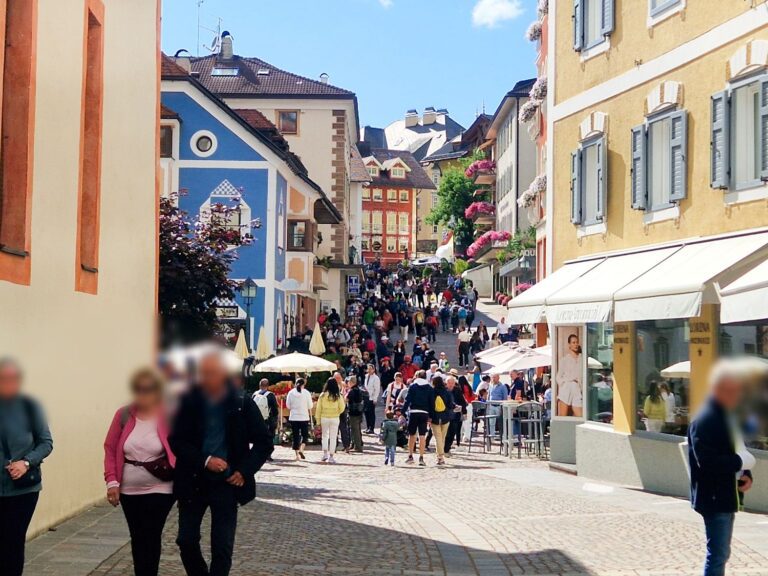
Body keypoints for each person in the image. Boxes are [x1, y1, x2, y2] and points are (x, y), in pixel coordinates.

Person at [170, 351, 271, 576]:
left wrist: (244, 471)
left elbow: (264, 442)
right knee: (185, 540)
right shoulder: (188, 402)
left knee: (222, 547)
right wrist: (205, 460)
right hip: (193, 481)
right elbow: (176, 440)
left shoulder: (241, 402)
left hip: (227, 483)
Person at [688, 359, 758, 576]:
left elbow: (737, 449)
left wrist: (745, 474)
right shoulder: (706, 419)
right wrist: (740, 463)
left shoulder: (727, 417)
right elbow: (707, 461)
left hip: (726, 494)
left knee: (722, 553)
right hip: (713, 497)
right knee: (717, 554)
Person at [103, 368, 176, 576]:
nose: (143, 394)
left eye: (149, 390)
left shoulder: (168, 415)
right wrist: (112, 482)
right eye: (139, 390)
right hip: (129, 489)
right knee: (137, 536)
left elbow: (180, 445)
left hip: (161, 487)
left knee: (151, 535)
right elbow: (110, 448)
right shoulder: (123, 415)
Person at [0, 358, 53, 576]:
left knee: (13, 541)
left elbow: (46, 443)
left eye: (13, 379)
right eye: (4, 379)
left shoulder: (30, 409)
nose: (8, 383)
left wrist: (26, 462)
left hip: (23, 489)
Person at [403, 371, 434, 467]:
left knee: (412, 435)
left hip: (413, 412)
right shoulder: (429, 388)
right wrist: (431, 416)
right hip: (424, 413)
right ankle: (421, 457)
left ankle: (410, 456)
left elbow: (407, 400)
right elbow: (431, 402)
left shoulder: (413, 386)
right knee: (422, 436)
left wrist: (403, 411)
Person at [315, 378, 346, 464]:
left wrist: (318, 421)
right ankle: (331, 456)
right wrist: (337, 412)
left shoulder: (322, 395)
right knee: (333, 437)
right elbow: (342, 407)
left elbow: (318, 409)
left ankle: (325, 453)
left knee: (324, 436)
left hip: (324, 417)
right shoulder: (338, 395)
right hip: (335, 418)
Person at [285, 379, 314, 461]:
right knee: (305, 435)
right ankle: (302, 448)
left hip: (294, 417)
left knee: (295, 436)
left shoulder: (291, 393)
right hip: (304, 417)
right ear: (303, 384)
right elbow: (310, 406)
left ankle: (297, 455)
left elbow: (288, 406)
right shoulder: (306, 393)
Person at [556, 333, 583, 417]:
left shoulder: (582, 359)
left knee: (580, 416)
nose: (576, 344)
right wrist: (564, 384)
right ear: (569, 345)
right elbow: (558, 376)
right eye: (573, 342)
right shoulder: (564, 360)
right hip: (566, 389)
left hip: (577, 389)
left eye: (577, 342)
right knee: (563, 417)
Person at [430, 376, 454, 466]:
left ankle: (440, 457)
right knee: (442, 438)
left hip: (435, 417)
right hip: (445, 418)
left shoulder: (432, 392)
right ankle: (440, 456)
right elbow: (450, 405)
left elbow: (430, 405)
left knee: (438, 438)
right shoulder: (447, 392)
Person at [252, 379, 278, 461]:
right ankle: (267, 454)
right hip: (267, 419)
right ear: (268, 386)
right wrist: (275, 418)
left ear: (259, 385)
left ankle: (256, 453)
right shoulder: (270, 395)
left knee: (257, 437)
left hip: (256, 419)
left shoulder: (254, 394)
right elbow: (274, 409)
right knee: (269, 436)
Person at [346, 376, 365, 452]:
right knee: (357, 429)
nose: (347, 383)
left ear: (351, 382)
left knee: (355, 430)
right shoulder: (359, 390)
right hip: (359, 412)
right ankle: (355, 445)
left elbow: (346, 399)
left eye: (348, 382)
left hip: (353, 413)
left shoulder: (352, 391)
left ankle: (358, 447)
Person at [363, 364, 381, 434]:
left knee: (371, 413)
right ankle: (368, 427)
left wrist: (375, 399)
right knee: (366, 413)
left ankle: (371, 428)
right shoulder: (366, 376)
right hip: (366, 397)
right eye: (368, 369)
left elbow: (377, 389)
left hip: (372, 398)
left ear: (374, 369)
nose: (369, 370)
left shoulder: (376, 378)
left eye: (371, 369)